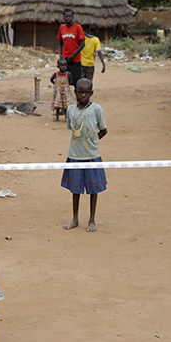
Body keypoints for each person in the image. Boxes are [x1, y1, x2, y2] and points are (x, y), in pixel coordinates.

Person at [61, 78, 108, 232]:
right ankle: (75, 219)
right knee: (75, 189)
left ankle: (92, 220)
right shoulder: (70, 110)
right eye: (80, 92)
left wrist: (93, 141)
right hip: (75, 155)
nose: (83, 95)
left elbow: (104, 130)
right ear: (75, 92)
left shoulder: (96, 110)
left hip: (92, 155)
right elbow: (72, 128)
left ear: (91, 93)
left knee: (93, 190)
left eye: (86, 92)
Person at [57, 8, 85, 88]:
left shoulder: (78, 28)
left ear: (73, 17)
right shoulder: (62, 28)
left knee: (76, 81)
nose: (68, 18)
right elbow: (60, 43)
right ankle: (65, 96)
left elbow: (82, 44)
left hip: (75, 59)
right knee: (64, 80)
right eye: (66, 16)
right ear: (63, 17)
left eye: (70, 16)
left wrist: (72, 56)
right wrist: (60, 54)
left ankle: (77, 95)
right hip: (65, 60)